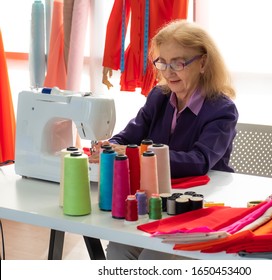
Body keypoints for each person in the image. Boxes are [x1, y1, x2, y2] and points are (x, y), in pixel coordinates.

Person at [92, 19, 238, 259]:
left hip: (200, 206)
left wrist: (137, 154)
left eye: (178, 63)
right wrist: (110, 146)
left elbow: (200, 161)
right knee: (118, 248)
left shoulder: (221, 110)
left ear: (203, 63)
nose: (168, 72)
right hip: (161, 201)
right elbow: (131, 134)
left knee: (154, 256)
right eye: (162, 62)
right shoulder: (159, 97)